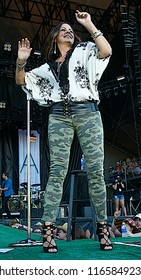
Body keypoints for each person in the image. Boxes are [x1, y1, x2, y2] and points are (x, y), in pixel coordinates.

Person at [15, 10, 113, 252]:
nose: (69, 30)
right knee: (57, 171)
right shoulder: (47, 69)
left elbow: (106, 51)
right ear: (55, 37)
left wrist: (88, 24)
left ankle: (102, 228)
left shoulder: (86, 51)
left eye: (71, 29)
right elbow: (21, 81)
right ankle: (48, 231)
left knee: (96, 171)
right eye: (63, 28)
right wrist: (20, 61)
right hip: (59, 115)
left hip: (88, 112)